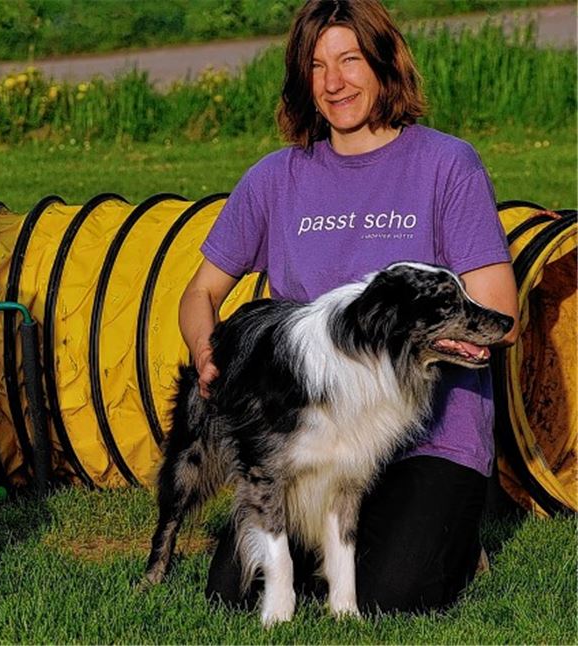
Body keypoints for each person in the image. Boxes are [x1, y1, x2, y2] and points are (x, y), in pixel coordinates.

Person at [184, 0, 519, 614]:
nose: (334, 82)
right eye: (316, 66)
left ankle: (454, 531)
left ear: (386, 63)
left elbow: (497, 311)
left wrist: (391, 351)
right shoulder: (274, 178)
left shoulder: (447, 164)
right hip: (308, 436)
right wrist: (209, 356)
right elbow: (200, 292)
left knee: (394, 594)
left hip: (422, 437)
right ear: (301, 79)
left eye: (350, 60)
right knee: (230, 597)